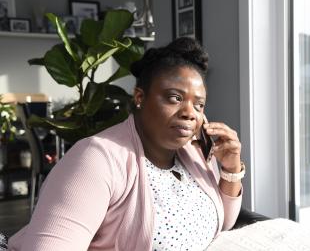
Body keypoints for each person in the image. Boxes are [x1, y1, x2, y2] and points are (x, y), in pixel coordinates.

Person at [8, 37, 244, 250]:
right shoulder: (96, 159)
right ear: (140, 97)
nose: (190, 113)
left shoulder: (193, 153)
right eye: (175, 98)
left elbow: (224, 220)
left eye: (199, 105)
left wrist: (231, 170)